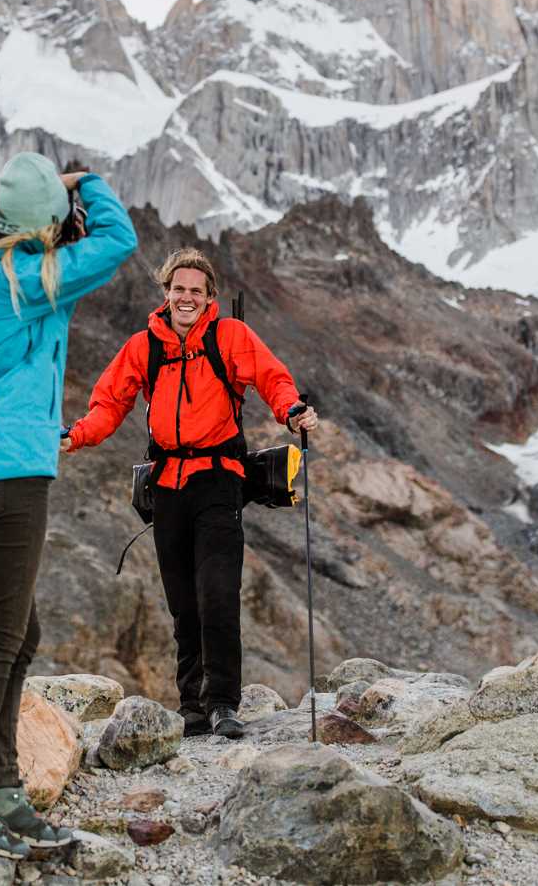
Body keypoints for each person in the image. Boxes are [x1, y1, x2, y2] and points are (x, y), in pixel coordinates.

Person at [0, 152, 137, 859]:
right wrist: (87, 185)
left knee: (22, 630)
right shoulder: (30, 278)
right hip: (13, 468)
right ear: (44, 218)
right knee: (0, 634)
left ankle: (4, 791)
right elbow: (120, 241)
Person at [63, 248, 318, 739]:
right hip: (167, 485)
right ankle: (192, 708)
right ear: (166, 294)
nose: (186, 297)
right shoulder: (144, 346)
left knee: (218, 594)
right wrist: (77, 435)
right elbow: (109, 403)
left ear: (209, 299)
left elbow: (273, 379)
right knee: (183, 603)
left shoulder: (231, 336)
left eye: (196, 291)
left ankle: (222, 703)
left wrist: (291, 410)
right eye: (178, 289)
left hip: (220, 480)